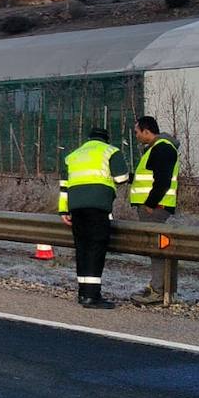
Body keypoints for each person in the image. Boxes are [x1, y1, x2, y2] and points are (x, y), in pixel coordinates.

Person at [58, 127, 129, 309]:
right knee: (96, 249)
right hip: (98, 207)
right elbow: (121, 178)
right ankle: (92, 297)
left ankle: (83, 294)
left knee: (82, 249)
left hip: (75, 208)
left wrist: (63, 211)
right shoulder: (110, 151)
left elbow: (64, 187)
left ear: (88, 139)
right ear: (106, 139)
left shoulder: (73, 156)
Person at [128, 116, 180, 305]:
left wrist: (149, 204)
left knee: (156, 249)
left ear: (146, 131)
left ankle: (158, 291)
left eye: (137, 132)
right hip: (155, 207)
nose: (136, 136)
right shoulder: (156, 149)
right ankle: (160, 288)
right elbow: (150, 177)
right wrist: (130, 177)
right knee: (159, 248)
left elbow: (163, 181)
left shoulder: (162, 148)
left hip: (155, 208)